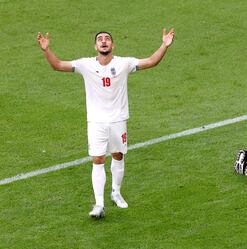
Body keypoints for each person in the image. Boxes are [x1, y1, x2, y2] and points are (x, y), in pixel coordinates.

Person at [37, 29, 175, 218]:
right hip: (96, 122)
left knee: (118, 155)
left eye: (107, 39)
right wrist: (46, 50)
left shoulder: (124, 63)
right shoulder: (85, 65)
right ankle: (99, 204)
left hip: (118, 120)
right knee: (98, 159)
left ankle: (116, 192)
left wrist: (164, 45)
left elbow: (151, 61)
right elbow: (58, 65)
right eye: (100, 39)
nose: (104, 41)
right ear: (95, 46)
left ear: (112, 45)